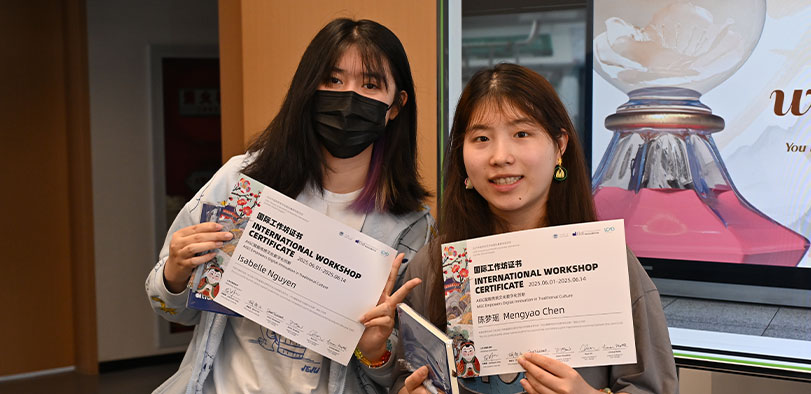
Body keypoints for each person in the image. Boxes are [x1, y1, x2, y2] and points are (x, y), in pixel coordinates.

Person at [146, 18, 433, 394]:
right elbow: (169, 307)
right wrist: (176, 272)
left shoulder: (409, 225)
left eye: (370, 84)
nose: (348, 98)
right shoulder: (242, 182)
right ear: (308, 88)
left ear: (396, 105)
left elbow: (401, 374)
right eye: (332, 80)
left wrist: (376, 348)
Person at [392, 64, 678, 394]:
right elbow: (407, 374)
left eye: (522, 134)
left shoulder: (609, 264)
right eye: (481, 138)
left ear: (559, 147)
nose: (501, 156)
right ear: (462, 159)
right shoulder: (432, 266)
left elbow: (655, 388)